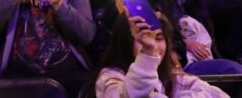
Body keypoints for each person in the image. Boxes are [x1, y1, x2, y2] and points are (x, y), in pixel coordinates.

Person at [93, 14, 227, 97]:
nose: (154, 45)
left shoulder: (169, 74)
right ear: (125, 41)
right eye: (144, 39)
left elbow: (214, 94)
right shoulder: (109, 77)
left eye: (159, 38)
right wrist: (148, 52)